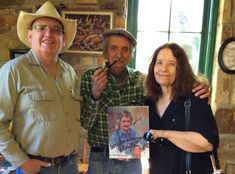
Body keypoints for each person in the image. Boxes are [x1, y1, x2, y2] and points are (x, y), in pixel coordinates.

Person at [80, 28, 211, 174]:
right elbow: (86, 123)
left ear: (131, 54)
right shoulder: (89, 78)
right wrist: (95, 94)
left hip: (132, 158)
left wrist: (199, 85)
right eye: (113, 48)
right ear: (105, 52)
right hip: (100, 157)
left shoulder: (141, 80)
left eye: (125, 49)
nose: (119, 54)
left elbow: (168, 88)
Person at [0, 1, 81, 174]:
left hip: (70, 166)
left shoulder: (69, 72)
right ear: (30, 35)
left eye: (56, 30)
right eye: (41, 28)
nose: (48, 34)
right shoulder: (13, 71)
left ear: (63, 38)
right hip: (35, 168)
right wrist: (21, 162)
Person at [145, 43, 219, 174]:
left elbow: (208, 143)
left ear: (181, 69)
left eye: (171, 64)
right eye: (159, 62)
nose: (164, 69)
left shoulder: (195, 97)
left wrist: (164, 134)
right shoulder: (149, 101)